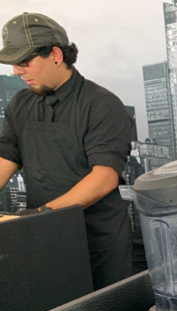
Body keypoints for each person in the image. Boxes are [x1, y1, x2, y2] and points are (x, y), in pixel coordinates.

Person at [0, 12, 133, 290]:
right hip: (43, 241)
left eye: (24, 62)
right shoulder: (19, 105)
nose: (16, 71)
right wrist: (37, 223)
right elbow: (6, 158)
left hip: (97, 245)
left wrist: (39, 215)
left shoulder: (102, 105)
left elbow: (105, 177)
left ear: (56, 55)